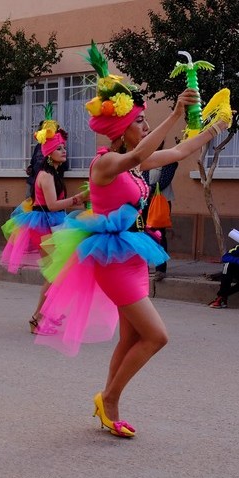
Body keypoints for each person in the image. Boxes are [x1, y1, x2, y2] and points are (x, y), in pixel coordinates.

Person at [35, 42, 229, 437]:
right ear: (124, 129)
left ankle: (109, 402)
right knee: (157, 336)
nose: (144, 127)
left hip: (134, 255)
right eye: (140, 121)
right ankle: (108, 399)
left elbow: (176, 151)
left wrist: (214, 127)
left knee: (132, 336)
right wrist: (175, 112)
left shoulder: (137, 164)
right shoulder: (105, 163)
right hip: (110, 259)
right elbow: (142, 150)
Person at [0, 104, 88, 334]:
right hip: (46, 225)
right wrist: (77, 199)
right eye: (59, 148)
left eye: (64, 147)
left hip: (55, 223)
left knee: (57, 273)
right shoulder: (46, 176)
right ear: (49, 154)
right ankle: (38, 318)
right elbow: (51, 205)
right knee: (55, 273)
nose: (64, 151)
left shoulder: (53, 174)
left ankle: (48, 313)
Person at [142, 143, 177, 280]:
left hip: (160, 202)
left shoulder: (168, 160)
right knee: (142, 234)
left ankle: (160, 269)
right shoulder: (143, 159)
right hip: (144, 202)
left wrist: (146, 188)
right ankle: (142, 267)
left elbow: (164, 181)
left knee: (159, 234)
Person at [207, 240, 239, 309]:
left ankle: (222, 296)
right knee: (228, 265)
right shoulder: (237, 248)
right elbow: (225, 257)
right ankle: (221, 299)